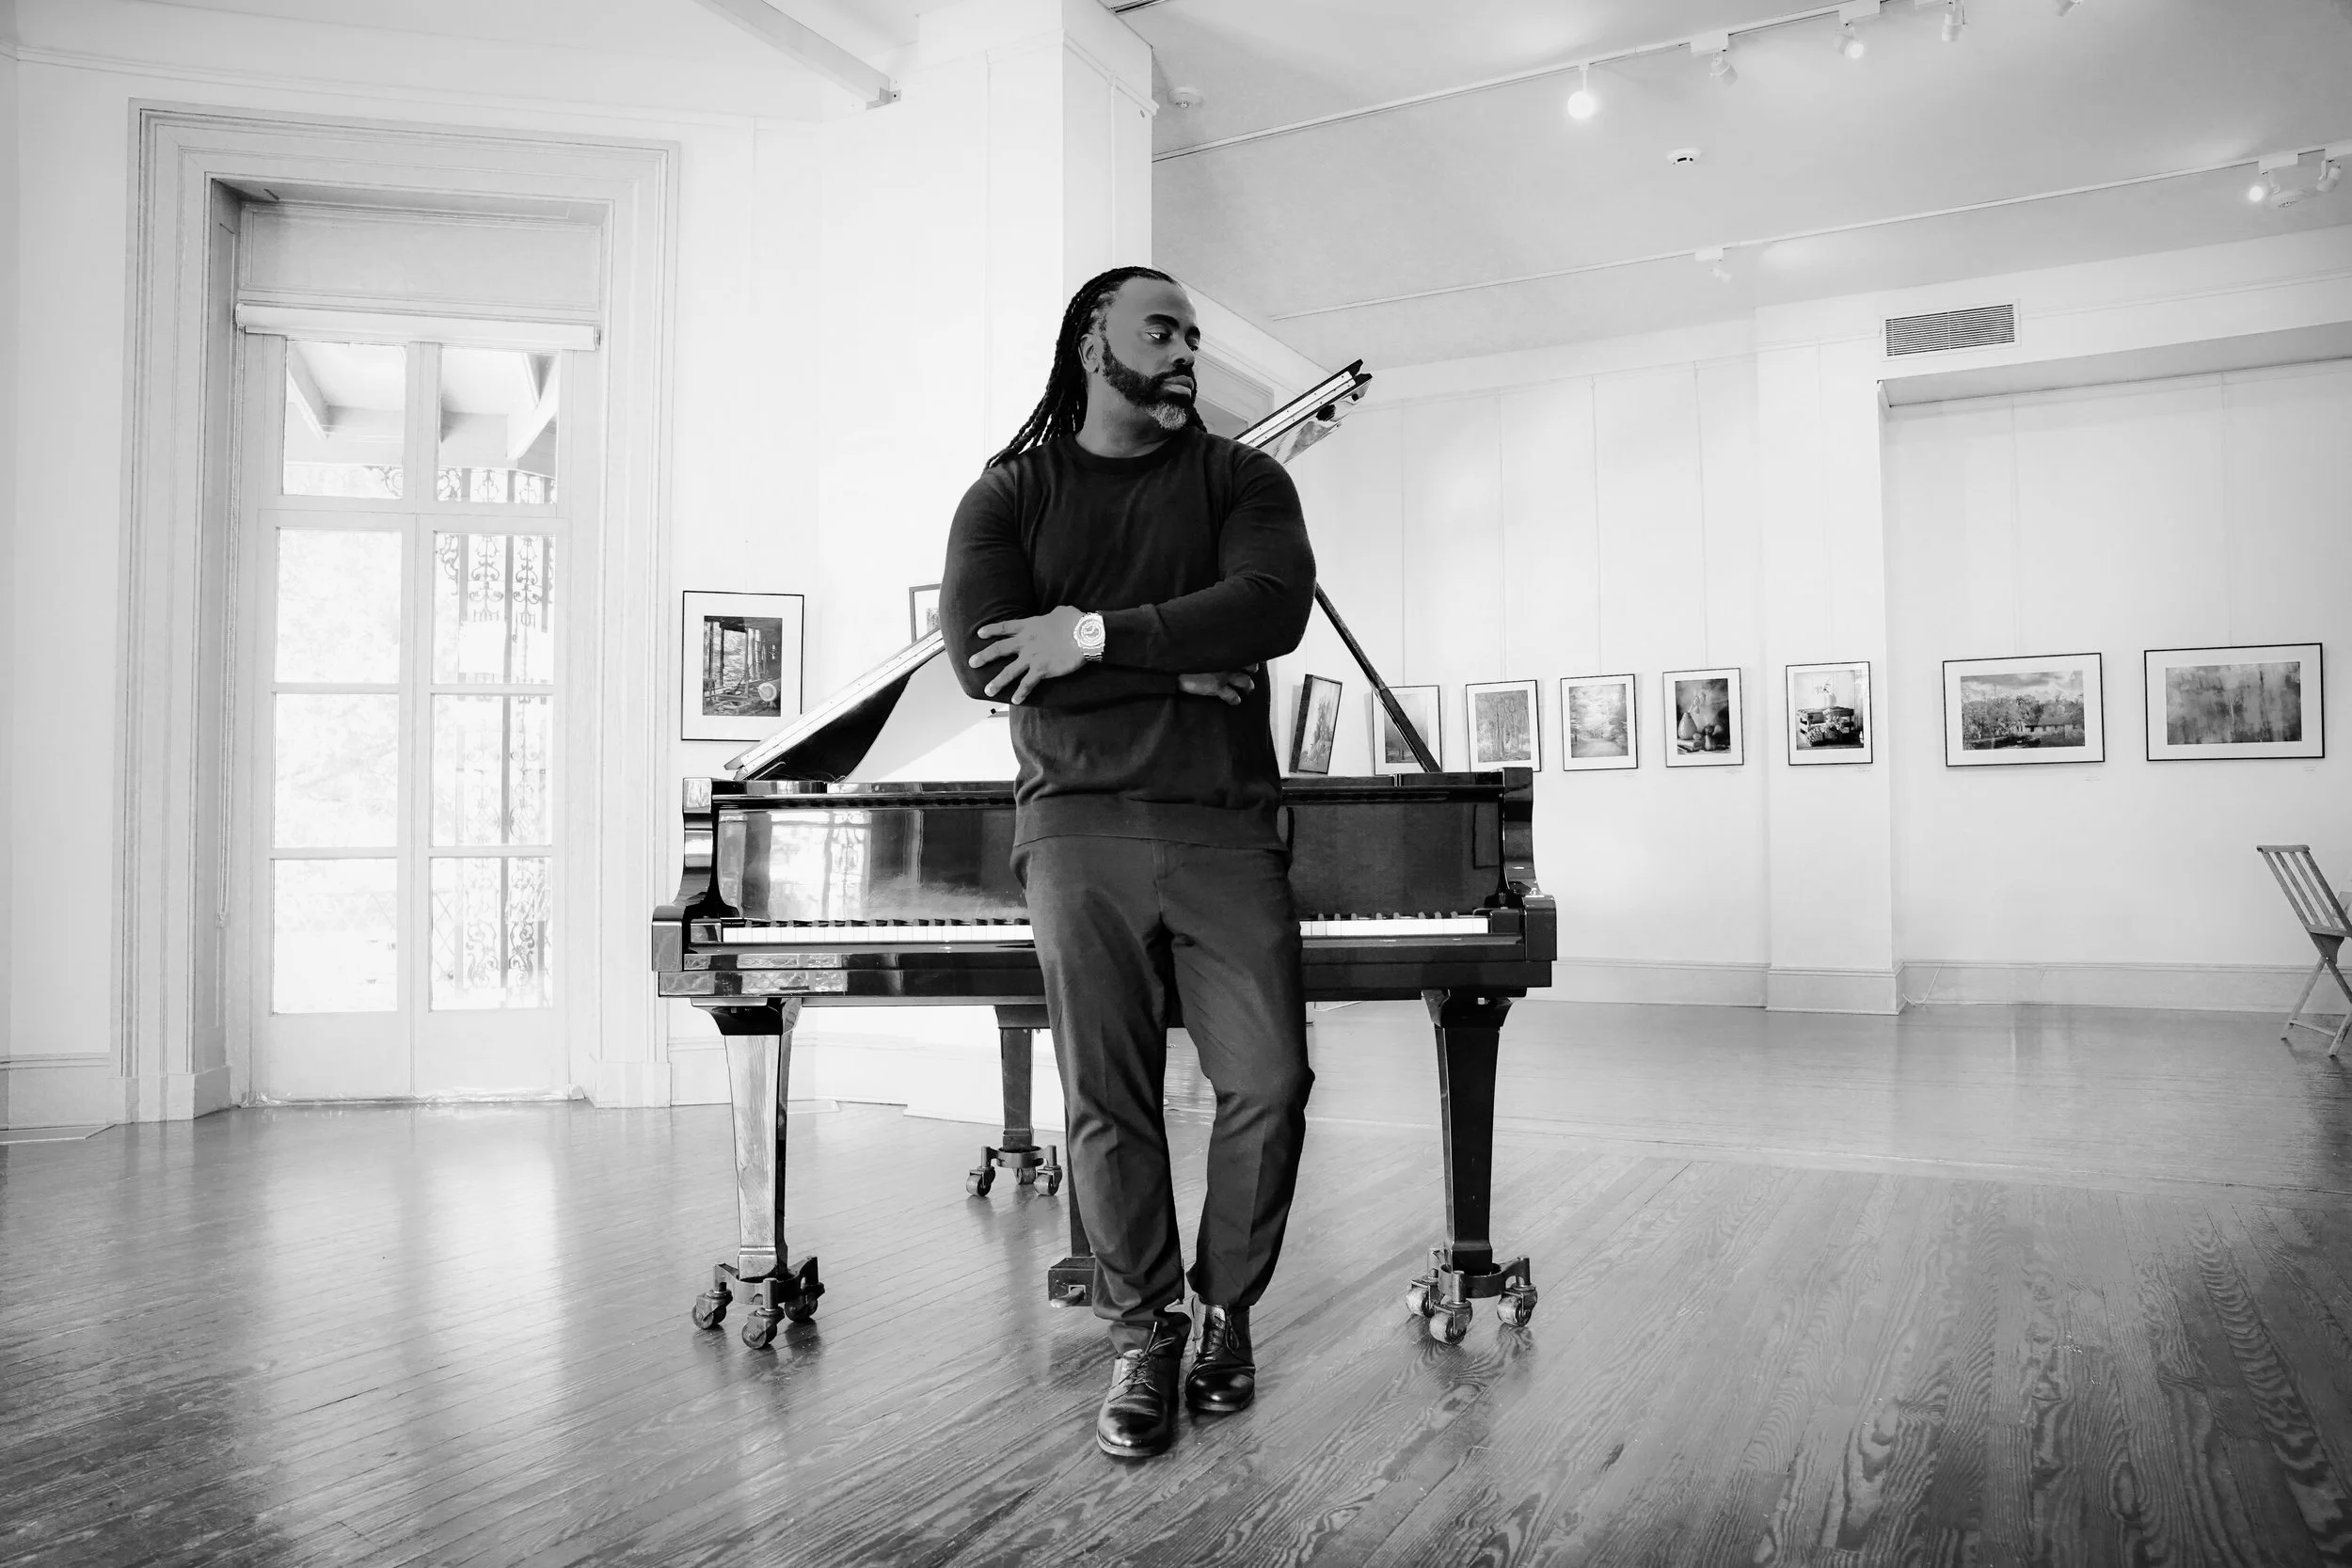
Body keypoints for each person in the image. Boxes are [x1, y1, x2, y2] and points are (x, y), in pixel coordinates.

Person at [939, 265, 1317, 1461]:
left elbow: (1270, 607)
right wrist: (1172, 661)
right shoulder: (1010, 493)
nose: (1185, 350)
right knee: (1107, 1095)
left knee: (1270, 1080)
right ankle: (1144, 1328)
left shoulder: (1243, 478)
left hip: (1222, 824)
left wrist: (1089, 638)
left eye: (1193, 334)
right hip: (1076, 824)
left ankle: (1226, 1307)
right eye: (1162, 329)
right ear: (1089, 340)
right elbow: (985, 662)